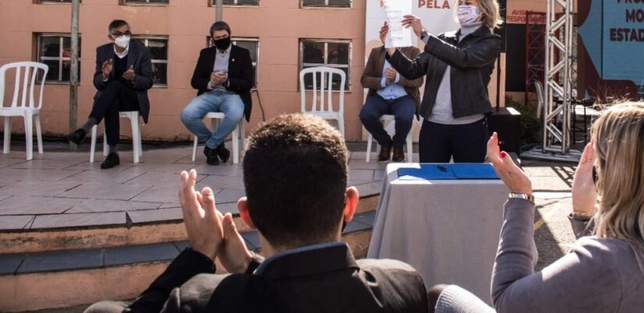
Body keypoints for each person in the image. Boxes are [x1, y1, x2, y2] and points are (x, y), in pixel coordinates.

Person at [85, 113, 428, 313]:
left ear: (247, 215)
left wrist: (198, 254)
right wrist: (251, 265)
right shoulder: (403, 285)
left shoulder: (202, 301)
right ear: (350, 204)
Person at [430, 101, 644, 312]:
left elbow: (508, 301)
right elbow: (609, 285)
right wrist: (584, 216)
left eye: (599, 160)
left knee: (439, 296)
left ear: (615, 171)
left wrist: (520, 197)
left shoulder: (607, 262)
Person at [385, 0, 502, 163]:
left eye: (468, 3)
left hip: (469, 127)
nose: (462, 7)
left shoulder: (490, 41)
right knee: (431, 177)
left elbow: (463, 59)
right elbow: (413, 70)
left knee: (467, 178)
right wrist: (391, 48)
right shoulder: (443, 39)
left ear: (484, 8)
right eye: (460, 3)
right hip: (433, 125)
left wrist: (424, 35)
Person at [69, 19, 154, 170]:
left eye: (127, 33)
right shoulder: (103, 51)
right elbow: (97, 82)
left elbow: (148, 81)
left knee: (115, 85)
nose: (123, 37)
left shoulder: (142, 51)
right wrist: (104, 75)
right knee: (112, 99)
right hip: (110, 99)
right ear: (110, 37)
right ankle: (113, 154)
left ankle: (86, 127)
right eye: (118, 34)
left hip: (132, 97)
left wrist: (134, 78)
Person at [180, 21, 253, 166]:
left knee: (235, 114)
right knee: (187, 114)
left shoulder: (242, 53)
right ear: (212, 39)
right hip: (209, 94)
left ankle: (211, 146)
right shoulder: (206, 54)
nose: (221, 40)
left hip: (232, 95)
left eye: (224, 36)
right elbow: (195, 81)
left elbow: (248, 82)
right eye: (218, 38)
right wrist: (211, 83)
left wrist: (226, 81)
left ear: (230, 35)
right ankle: (216, 144)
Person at [360, 25, 423, 162]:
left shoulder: (413, 52)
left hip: (404, 97)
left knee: (405, 117)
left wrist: (397, 77)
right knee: (365, 115)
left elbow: (418, 81)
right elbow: (364, 80)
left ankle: (398, 145)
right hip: (380, 97)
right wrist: (384, 81)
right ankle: (385, 142)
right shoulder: (376, 52)